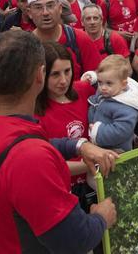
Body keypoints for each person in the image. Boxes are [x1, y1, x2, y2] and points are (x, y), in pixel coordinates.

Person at [0, 30, 118, 253]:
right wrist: (101, 218)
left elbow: (20, 146)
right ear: (40, 75)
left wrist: (78, 145)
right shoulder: (31, 158)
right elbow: (74, 240)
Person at [34, 42, 96, 200]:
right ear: (41, 74)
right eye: (55, 74)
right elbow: (45, 166)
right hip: (62, 192)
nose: (63, 80)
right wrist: (92, 163)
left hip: (95, 183)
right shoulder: (34, 111)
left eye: (67, 71)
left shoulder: (84, 90)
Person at [27, 0, 102, 80]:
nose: (45, 12)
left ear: (60, 8)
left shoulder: (79, 38)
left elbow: (98, 77)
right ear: (29, 13)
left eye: (50, 6)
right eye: (38, 7)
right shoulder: (24, 47)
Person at [84, 55, 138, 153]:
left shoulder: (126, 107)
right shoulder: (109, 92)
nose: (103, 87)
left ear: (123, 84)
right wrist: (92, 79)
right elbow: (100, 91)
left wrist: (97, 131)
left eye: (109, 83)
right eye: (100, 82)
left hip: (115, 152)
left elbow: (120, 131)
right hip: (100, 147)